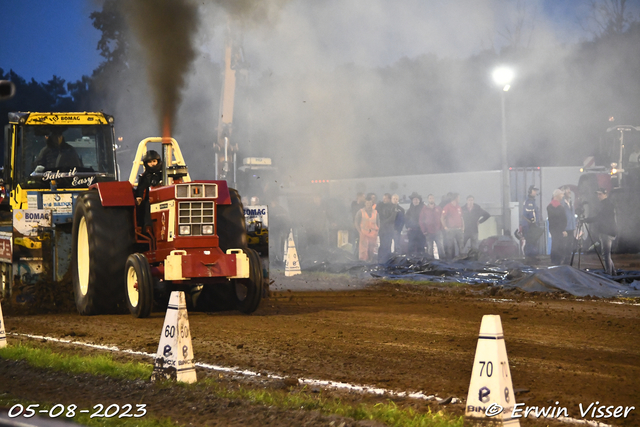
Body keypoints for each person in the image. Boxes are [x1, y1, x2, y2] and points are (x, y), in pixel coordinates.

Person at [584, 188, 617, 275]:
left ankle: (609, 274)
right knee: (607, 254)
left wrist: (586, 220)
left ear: (605, 194)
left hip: (606, 232)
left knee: (606, 254)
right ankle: (613, 273)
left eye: (600, 194)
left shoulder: (606, 205)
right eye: (598, 194)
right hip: (609, 232)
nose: (598, 196)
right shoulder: (607, 204)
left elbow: (599, 217)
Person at [135, 150, 163, 234]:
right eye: (150, 162)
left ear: (158, 161)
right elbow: (140, 188)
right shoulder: (144, 176)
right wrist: (139, 197)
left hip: (163, 198)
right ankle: (148, 228)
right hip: (149, 200)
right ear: (146, 164)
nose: (152, 164)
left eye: (154, 161)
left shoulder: (164, 174)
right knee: (146, 206)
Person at [354, 195, 379, 262]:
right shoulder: (360, 212)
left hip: (373, 234)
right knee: (363, 250)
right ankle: (363, 263)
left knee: (372, 249)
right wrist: (360, 231)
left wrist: (377, 232)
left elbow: (378, 223)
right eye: (367, 203)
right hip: (364, 234)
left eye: (370, 203)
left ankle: (371, 261)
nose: (368, 205)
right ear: (365, 203)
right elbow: (356, 222)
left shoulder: (375, 212)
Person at [520, 185, 542, 261]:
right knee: (530, 241)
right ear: (530, 191)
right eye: (534, 190)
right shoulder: (529, 202)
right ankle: (530, 257)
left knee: (533, 241)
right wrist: (533, 222)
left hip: (531, 225)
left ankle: (532, 256)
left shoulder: (531, 201)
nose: (535, 192)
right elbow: (530, 213)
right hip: (529, 226)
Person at [547, 189, 568, 265]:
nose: (562, 196)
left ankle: (554, 260)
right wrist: (563, 229)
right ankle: (557, 260)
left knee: (555, 244)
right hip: (558, 229)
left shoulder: (550, 206)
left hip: (553, 229)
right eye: (561, 195)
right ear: (557, 196)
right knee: (558, 245)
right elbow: (562, 219)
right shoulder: (560, 207)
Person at [441, 193, 464, 259]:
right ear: (455, 198)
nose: (459, 199)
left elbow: (461, 217)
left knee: (461, 246)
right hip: (451, 230)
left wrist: (463, 227)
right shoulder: (447, 207)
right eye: (458, 198)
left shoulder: (459, 207)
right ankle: (450, 261)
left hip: (459, 229)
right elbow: (442, 217)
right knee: (450, 247)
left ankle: (462, 260)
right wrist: (445, 227)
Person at [377, 193, 396, 262]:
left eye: (385, 198)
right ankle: (380, 259)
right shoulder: (380, 206)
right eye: (383, 198)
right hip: (382, 229)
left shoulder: (393, 207)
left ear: (389, 199)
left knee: (388, 244)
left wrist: (384, 222)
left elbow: (392, 217)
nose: (384, 200)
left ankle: (387, 259)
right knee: (382, 244)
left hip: (389, 229)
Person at [561, 186, 577, 264]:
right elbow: (560, 217)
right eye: (568, 191)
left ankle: (568, 261)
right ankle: (564, 262)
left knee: (570, 246)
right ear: (564, 193)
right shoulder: (562, 203)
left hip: (571, 228)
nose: (569, 193)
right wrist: (563, 229)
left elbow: (572, 215)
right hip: (566, 228)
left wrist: (574, 227)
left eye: (570, 191)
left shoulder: (571, 203)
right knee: (565, 246)